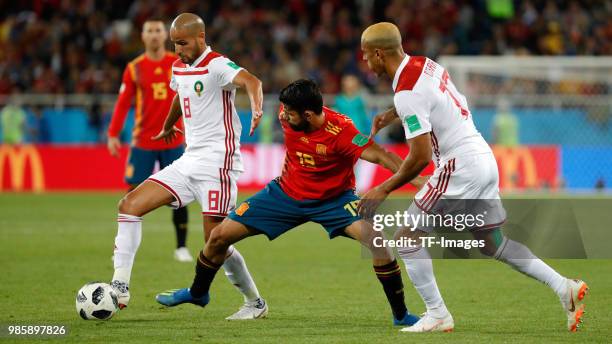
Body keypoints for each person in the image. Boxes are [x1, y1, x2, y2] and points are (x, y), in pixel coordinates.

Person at [358, 22, 588, 333]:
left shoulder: (406, 93)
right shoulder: (425, 64)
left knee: (406, 238)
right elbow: (430, 98)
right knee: (493, 244)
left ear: (378, 53)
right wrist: (390, 114)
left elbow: (420, 157)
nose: (364, 61)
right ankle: (564, 287)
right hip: (482, 157)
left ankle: (437, 314)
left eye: (365, 55)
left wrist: (382, 189)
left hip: (458, 166)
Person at [156, 79, 427, 326]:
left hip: (334, 201)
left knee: (377, 241)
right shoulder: (289, 118)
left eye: (289, 112)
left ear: (308, 115)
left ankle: (400, 314)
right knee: (218, 237)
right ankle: (198, 292)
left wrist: (419, 182)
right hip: (284, 194)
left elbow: (381, 156)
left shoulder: (341, 131)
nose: (283, 115)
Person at [110, 13, 267, 320]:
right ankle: (120, 284)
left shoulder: (217, 64)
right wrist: (169, 124)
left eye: (182, 43)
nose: (178, 49)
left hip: (218, 166)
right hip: (189, 161)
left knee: (216, 242)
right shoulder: (178, 66)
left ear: (200, 38)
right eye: (175, 44)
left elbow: (252, 81)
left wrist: (257, 106)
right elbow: (179, 96)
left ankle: (254, 302)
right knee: (129, 205)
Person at [107, 19, 193, 263]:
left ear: (165, 35)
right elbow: (123, 103)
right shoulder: (134, 68)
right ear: (143, 37)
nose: (154, 35)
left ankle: (181, 247)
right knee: (133, 194)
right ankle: (122, 247)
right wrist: (113, 134)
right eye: (149, 31)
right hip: (143, 141)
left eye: (158, 31)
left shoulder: (177, 64)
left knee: (180, 194)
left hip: (173, 140)